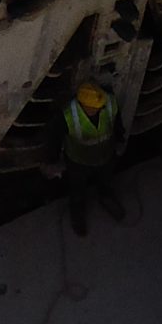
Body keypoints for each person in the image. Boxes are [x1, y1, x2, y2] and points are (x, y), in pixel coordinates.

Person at [62, 79, 122, 235]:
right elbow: (54, 138)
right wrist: (50, 161)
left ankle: (106, 196)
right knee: (77, 190)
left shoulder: (109, 103)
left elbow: (117, 122)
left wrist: (120, 139)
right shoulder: (69, 115)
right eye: (95, 108)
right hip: (79, 162)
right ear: (83, 106)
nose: (100, 108)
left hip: (105, 156)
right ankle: (77, 215)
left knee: (106, 181)